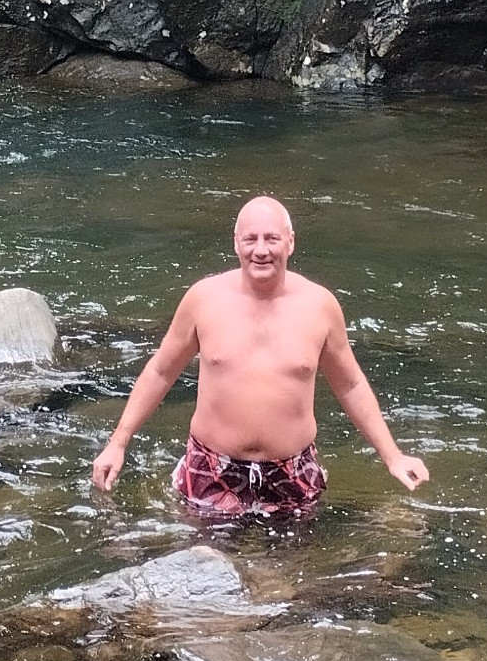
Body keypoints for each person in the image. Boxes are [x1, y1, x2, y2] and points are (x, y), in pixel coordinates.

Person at [90, 195, 429, 516]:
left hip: (293, 470)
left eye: (272, 239)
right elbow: (161, 372)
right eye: (250, 239)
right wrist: (118, 442)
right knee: (206, 566)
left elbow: (350, 384)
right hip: (211, 466)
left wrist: (393, 456)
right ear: (236, 243)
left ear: (291, 242)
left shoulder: (319, 306)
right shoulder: (203, 300)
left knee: (291, 571)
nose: (261, 251)